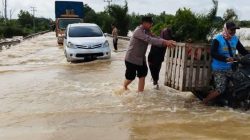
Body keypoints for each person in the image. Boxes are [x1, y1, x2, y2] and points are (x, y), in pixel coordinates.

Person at [123, 16, 176, 93]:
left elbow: (155, 37)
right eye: (150, 23)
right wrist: (165, 42)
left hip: (141, 59)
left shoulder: (147, 31)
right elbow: (149, 39)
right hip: (131, 58)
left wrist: (166, 41)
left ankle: (140, 93)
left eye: (152, 23)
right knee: (131, 77)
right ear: (144, 23)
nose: (151, 25)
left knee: (143, 74)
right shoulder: (138, 31)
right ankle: (124, 86)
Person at [203, 22, 249, 104]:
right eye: (231, 30)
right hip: (219, 69)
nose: (233, 31)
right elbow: (213, 53)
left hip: (231, 68)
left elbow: (243, 51)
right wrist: (225, 59)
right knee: (220, 89)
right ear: (226, 29)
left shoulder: (235, 39)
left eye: (235, 30)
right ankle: (204, 102)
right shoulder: (217, 39)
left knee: (244, 83)